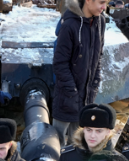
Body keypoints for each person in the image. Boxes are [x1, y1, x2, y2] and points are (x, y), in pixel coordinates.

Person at [51, 0, 107, 140]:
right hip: (66, 98)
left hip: (86, 98)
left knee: (78, 143)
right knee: (57, 142)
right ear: (88, 1)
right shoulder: (70, 25)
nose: (104, 7)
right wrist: (72, 92)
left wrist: (94, 84)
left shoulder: (100, 22)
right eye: (102, 2)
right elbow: (60, 63)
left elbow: (98, 56)